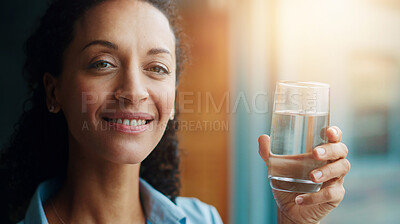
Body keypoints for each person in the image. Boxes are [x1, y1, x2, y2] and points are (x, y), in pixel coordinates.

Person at [0, 0, 350, 223]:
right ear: (53, 90)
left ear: (171, 100)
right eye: (103, 63)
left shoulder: (203, 220)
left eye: (157, 68)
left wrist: (294, 221)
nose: (134, 91)